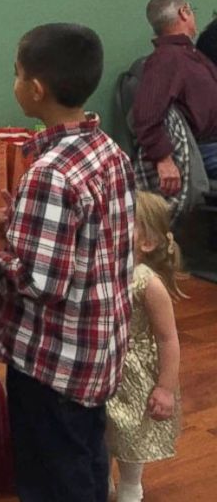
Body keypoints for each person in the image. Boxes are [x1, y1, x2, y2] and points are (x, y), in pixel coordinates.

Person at [0, 23, 136, 502]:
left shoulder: (49, 174)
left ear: (34, 89)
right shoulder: (110, 151)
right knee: (86, 455)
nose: (14, 83)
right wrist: (18, 222)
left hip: (52, 362)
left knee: (50, 477)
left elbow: (41, 282)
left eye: (15, 74)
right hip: (97, 349)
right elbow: (94, 239)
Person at [106, 191, 184, 502]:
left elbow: (168, 337)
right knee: (104, 429)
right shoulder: (103, 269)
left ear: (147, 242)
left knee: (130, 431)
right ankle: (104, 483)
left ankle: (130, 487)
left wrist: (165, 387)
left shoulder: (147, 283)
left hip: (135, 374)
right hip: (104, 366)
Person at [132, 0, 217, 192]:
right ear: (184, 12)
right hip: (204, 149)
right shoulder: (166, 59)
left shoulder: (187, 55)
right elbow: (145, 114)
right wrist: (163, 159)